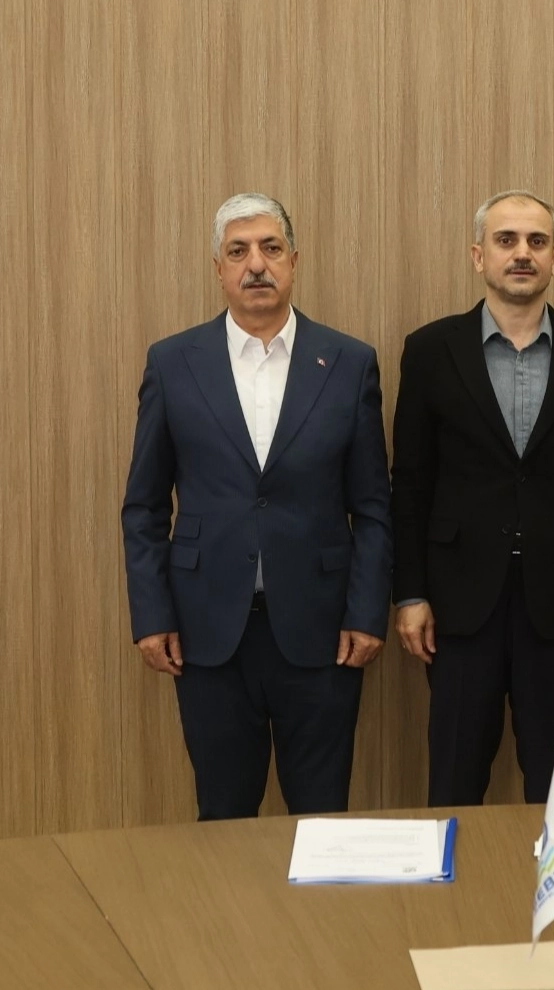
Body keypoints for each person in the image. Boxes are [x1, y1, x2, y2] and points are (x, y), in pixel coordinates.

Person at [122, 193, 393, 820]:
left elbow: (374, 506)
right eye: (239, 251)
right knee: (223, 818)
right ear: (218, 268)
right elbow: (144, 506)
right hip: (207, 631)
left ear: (294, 260)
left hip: (324, 631)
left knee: (322, 818)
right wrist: (152, 614)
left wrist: (366, 613)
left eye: (271, 248)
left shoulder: (349, 362)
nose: (256, 265)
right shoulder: (173, 362)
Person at [391, 190, 554, 806]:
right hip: (459, 604)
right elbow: (411, 482)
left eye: (536, 241)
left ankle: (550, 877)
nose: (522, 253)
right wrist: (411, 593)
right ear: (479, 255)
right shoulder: (430, 350)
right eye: (506, 240)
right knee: (454, 781)